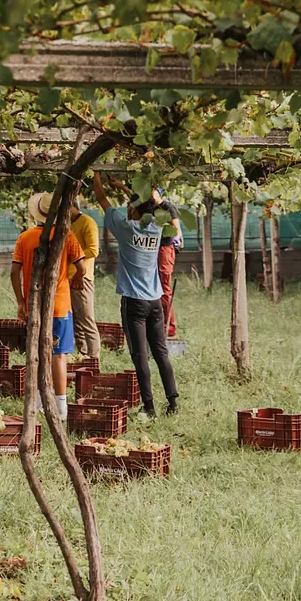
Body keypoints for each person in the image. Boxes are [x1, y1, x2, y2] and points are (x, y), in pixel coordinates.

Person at [92, 174, 178, 418]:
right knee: (160, 352)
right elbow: (161, 207)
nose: (126, 206)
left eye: (130, 204)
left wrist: (96, 172)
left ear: (133, 210)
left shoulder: (126, 229)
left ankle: (149, 407)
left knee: (140, 355)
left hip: (134, 302)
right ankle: (172, 403)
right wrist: (125, 187)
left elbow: (101, 198)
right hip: (155, 302)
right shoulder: (156, 229)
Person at [11, 192, 86, 422]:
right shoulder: (66, 236)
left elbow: (14, 272)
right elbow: (81, 266)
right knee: (58, 356)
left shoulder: (25, 238)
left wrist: (21, 301)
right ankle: (61, 406)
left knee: (35, 353)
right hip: (60, 306)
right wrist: (77, 279)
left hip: (34, 305)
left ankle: (37, 402)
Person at [68, 199, 101, 356]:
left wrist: (74, 256)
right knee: (76, 322)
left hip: (82, 278)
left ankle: (94, 359)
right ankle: (82, 354)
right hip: (68, 277)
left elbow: (94, 250)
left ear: (73, 206)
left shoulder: (87, 223)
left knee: (87, 320)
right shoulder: (67, 223)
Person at [153, 188, 183, 340]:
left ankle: (169, 328)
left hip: (165, 248)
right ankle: (157, 325)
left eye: (154, 190)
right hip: (152, 249)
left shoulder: (167, 207)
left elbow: (176, 228)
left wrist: (178, 239)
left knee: (164, 287)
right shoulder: (146, 207)